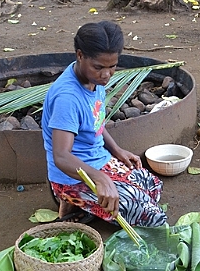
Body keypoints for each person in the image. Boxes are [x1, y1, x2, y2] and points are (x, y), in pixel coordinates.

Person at [42, 21, 167, 227]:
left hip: (99, 162)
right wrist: (100, 179)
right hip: (73, 177)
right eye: (99, 67)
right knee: (151, 217)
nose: (106, 74)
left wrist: (117, 150)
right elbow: (61, 156)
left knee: (152, 186)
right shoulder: (67, 97)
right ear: (80, 55)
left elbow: (95, 123)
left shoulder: (94, 79)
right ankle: (67, 197)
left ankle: (82, 206)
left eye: (112, 67)